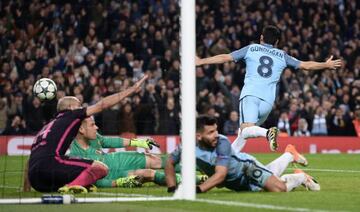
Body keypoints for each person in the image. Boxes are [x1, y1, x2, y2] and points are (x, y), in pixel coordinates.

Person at [196, 25, 342, 153]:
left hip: (251, 95)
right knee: (244, 133)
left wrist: (201, 61)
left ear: (261, 38)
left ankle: (268, 133)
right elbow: (305, 65)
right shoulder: (283, 55)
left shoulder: (251, 48)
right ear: (277, 42)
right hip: (268, 102)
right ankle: (224, 165)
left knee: (246, 129)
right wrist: (325, 65)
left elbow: (225, 57)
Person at [27, 75, 148, 193]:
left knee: (80, 175)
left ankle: (74, 185)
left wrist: (26, 188)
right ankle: (71, 187)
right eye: (79, 106)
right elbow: (102, 104)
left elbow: (30, 159)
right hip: (50, 166)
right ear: (71, 107)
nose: (82, 108)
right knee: (101, 168)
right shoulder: (72, 115)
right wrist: (131, 90)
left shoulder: (46, 127)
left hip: (37, 180)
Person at [165, 115, 320, 193]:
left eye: (216, 130)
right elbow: (169, 163)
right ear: (198, 136)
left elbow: (220, 175)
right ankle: (289, 155)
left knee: (279, 188)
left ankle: (301, 177)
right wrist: (172, 188)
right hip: (235, 183)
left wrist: (198, 189)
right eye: (211, 132)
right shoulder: (186, 147)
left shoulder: (222, 142)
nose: (216, 134)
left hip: (247, 169)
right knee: (265, 186)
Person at [68, 116, 180, 188]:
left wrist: (139, 143)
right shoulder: (75, 157)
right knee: (149, 174)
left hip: (117, 159)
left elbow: (110, 141)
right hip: (113, 175)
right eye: (92, 125)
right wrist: (118, 183)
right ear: (81, 130)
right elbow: (93, 181)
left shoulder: (93, 137)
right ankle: (192, 180)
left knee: (155, 160)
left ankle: (192, 166)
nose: (96, 127)